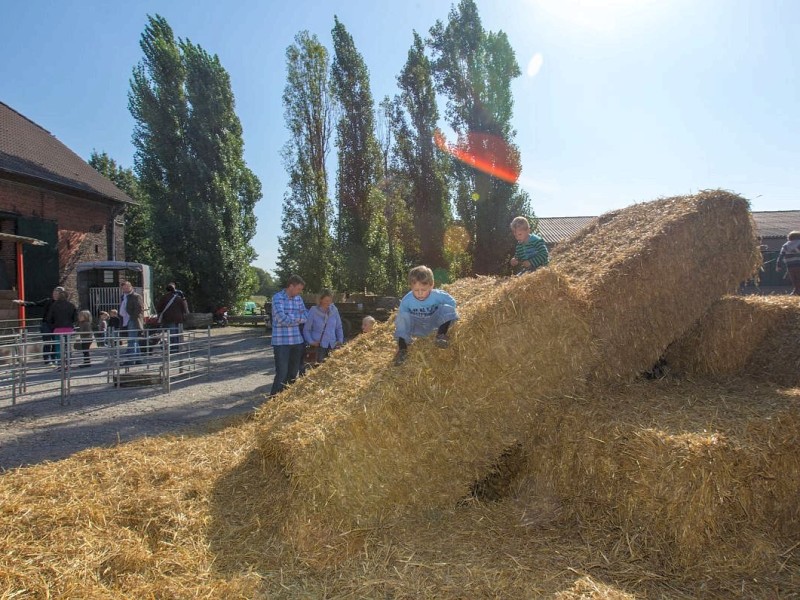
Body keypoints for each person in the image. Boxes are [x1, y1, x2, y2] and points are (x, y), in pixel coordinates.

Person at [394, 265, 458, 366]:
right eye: (416, 290)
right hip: (417, 326)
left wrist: (440, 312)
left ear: (431, 286)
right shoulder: (407, 300)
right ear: (411, 287)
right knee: (402, 317)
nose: (419, 294)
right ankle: (402, 349)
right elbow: (403, 317)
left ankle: (441, 335)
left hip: (434, 324)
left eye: (423, 290)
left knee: (446, 308)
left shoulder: (438, 295)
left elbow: (452, 303)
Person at [270, 274, 308, 396]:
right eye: (298, 289)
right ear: (291, 286)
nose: (299, 292)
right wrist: (298, 319)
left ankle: (286, 400)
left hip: (297, 341)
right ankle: (273, 401)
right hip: (281, 343)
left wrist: (291, 317)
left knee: (293, 373)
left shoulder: (299, 299)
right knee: (282, 373)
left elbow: (306, 316)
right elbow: (281, 319)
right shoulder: (277, 298)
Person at [12, 286, 63, 365]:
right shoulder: (47, 301)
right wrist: (22, 302)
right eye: (54, 293)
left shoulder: (63, 303)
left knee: (56, 342)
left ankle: (54, 358)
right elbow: (35, 303)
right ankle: (47, 359)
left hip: (57, 325)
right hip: (46, 324)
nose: (55, 294)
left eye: (57, 293)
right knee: (47, 342)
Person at [303, 289, 344, 365]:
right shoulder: (313, 310)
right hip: (319, 347)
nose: (328, 303)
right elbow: (306, 329)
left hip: (332, 346)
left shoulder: (334, 310)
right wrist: (311, 341)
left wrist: (340, 341)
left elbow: (339, 327)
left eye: (330, 300)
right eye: (326, 301)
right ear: (320, 300)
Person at [46, 289, 77, 366]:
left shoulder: (54, 305)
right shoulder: (71, 305)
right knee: (68, 346)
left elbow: (49, 318)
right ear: (67, 296)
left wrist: (53, 325)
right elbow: (75, 318)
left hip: (57, 328)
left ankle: (60, 364)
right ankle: (69, 362)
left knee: (58, 347)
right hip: (68, 328)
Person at [155, 283, 189, 353]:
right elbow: (184, 308)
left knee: (171, 335)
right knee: (177, 334)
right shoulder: (179, 298)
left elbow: (159, 308)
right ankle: (177, 348)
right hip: (179, 319)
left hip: (168, 319)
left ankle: (174, 349)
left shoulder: (164, 297)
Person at [119, 280, 144, 364]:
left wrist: (132, 317)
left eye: (127, 287)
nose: (125, 289)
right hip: (128, 319)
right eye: (124, 288)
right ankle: (138, 359)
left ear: (131, 287)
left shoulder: (136, 296)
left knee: (132, 340)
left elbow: (139, 309)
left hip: (133, 320)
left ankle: (131, 360)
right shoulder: (124, 296)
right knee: (133, 340)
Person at [775, 230, 800, 295]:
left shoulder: (785, 245)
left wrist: (778, 265)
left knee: (793, 278)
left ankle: (796, 290)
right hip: (798, 263)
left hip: (790, 265)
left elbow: (781, 256)